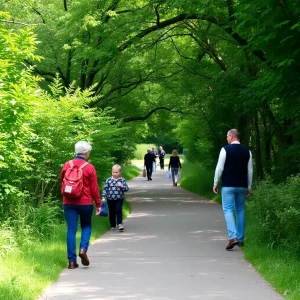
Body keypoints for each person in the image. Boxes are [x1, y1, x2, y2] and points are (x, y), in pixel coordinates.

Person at [60, 141, 101, 269]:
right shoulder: (89, 167)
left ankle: (72, 262)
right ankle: (83, 249)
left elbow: (62, 181)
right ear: (86, 152)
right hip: (85, 202)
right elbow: (94, 188)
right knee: (86, 226)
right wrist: (99, 204)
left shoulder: (67, 165)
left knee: (71, 230)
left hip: (68, 201)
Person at [213, 129, 253, 250]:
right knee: (240, 210)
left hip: (228, 185)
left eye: (227, 136)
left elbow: (219, 168)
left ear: (231, 137)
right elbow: (250, 170)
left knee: (228, 210)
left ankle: (233, 237)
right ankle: (240, 239)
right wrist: (249, 186)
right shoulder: (247, 152)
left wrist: (215, 182)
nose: (226, 138)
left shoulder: (225, 149)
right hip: (242, 185)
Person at [102, 164, 129, 231]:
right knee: (112, 212)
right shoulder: (109, 180)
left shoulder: (122, 180)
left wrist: (122, 186)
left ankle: (119, 224)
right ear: (111, 172)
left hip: (119, 199)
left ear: (120, 172)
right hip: (110, 199)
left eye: (116, 172)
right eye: (113, 172)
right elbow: (105, 189)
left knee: (118, 210)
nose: (115, 174)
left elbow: (126, 189)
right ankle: (113, 225)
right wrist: (103, 197)